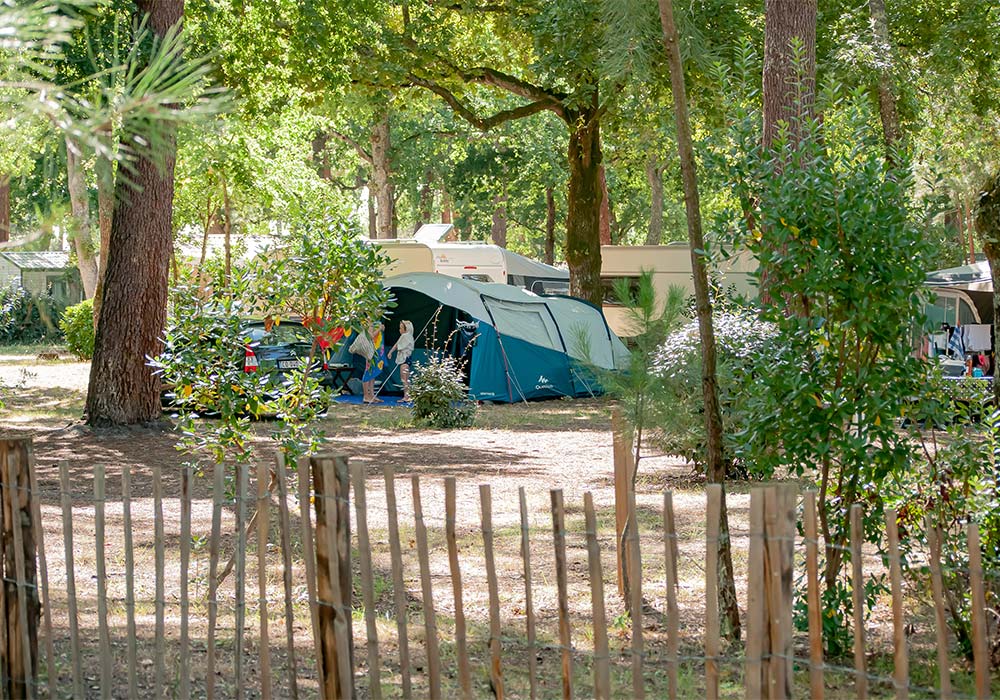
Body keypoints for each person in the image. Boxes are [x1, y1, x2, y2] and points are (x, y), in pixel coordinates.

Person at [388, 320, 415, 402]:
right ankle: (408, 395)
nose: (399, 330)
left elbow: (399, 346)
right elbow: (397, 344)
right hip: (408, 359)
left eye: (401, 328)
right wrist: (390, 352)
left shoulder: (405, 336)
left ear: (406, 329)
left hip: (405, 359)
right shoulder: (409, 336)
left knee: (404, 379)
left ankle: (406, 396)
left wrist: (390, 352)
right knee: (406, 378)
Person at [360, 321, 386, 403]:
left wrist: (381, 328)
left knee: (373, 373)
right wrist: (379, 329)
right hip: (371, 351)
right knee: (368, 372)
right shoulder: (369, 322)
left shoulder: (377, 321)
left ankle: (372, 395)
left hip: (377, 351)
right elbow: (370, 336)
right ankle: (366, 396)